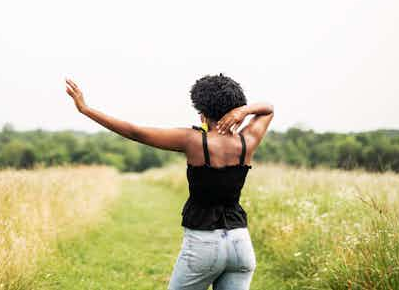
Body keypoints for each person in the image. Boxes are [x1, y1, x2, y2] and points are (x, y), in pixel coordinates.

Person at [65, 73, 274, 290]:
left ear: (202, 112)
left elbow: (135, 132)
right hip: (240, 243)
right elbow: (268, 109)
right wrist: (245, 111)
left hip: (203, 244)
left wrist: (86, 109)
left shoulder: (192, 140)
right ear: (235, 110)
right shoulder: (247, 140)